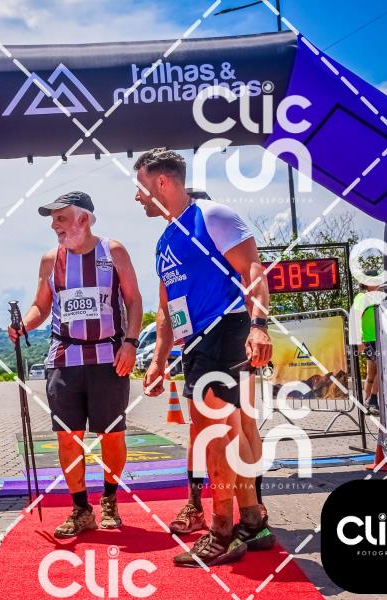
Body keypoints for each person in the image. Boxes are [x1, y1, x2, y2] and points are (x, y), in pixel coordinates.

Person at [132, 148, 273, 567]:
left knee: (216, 434)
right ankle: (252, 521)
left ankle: (222, 531)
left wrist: (259, 325)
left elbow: (253, 270)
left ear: (162, 182)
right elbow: (165, 309)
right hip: (195, 343)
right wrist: (159, 360)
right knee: (227, 431)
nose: (137, 197)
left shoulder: (212, 215)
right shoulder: (164, 240)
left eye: (140, 187)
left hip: (226, 328)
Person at [8, 191, 143, 539]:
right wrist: (24, 325)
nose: (54, 226)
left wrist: (130, 343)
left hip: (108, 358)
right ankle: (81, 508)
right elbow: (41, 305)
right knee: (68, 438)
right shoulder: (50, 260)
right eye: (53, 220)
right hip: (63, 359)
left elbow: (133, 300)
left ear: (83, 219)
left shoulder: (113, 252)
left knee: (111, 434)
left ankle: (109, 498)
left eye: (61, 218)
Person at [354, 281, 382, 415]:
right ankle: (373, 400)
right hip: (369, 340)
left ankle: (367, 401)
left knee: (373, 372)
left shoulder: (380, 297)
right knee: (379, 370)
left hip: (381, 338)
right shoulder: (362, 298)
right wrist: (358, 340)